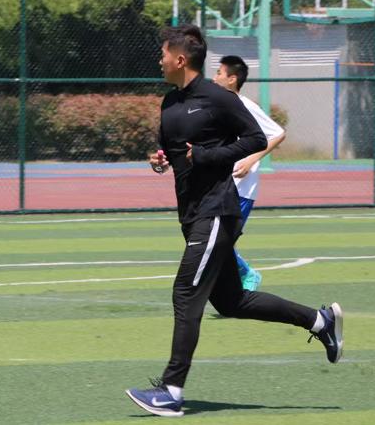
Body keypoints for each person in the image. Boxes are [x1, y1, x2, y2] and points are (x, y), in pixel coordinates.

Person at [125, 25, 343, 418]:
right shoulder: (170, 102)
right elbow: (173, 152)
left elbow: (256, 139)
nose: (159, 60)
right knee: (232, 301)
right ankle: (319, 321)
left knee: (186, 293)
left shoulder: (217, 97)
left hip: (217, 211)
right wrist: (160, 160)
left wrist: (208, 157)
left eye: (163, 54)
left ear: (180, 59)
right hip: (191, 215)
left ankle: (172, 390)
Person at [212, 55, 286, 291]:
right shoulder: (217, 106)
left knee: (220, 241)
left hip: (242, 188)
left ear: (232, 79)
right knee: (213, 239)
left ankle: (246, 275)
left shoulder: (245, 106)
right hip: (221, 186)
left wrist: (252, 159)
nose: (214, 77)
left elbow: (277, 133)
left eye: (219, 73)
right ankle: (236, 281)